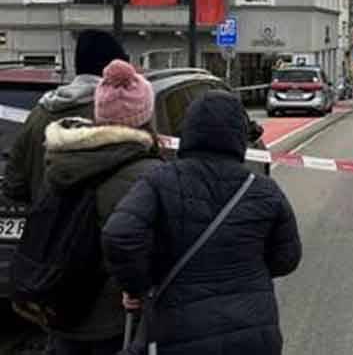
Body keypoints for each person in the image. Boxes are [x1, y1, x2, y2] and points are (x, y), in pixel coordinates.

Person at [103, 91, 302, 355]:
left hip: (178, 331)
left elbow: (120, 235)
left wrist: (139, 286)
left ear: (188, 131)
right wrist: (247, 268)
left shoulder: (159, 180)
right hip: (253, 332)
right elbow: (287, 258)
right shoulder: (264, 189)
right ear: (238, 136)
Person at [40, 60, 164, 355]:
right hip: (115, 316)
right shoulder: (148, 174)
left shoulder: (61, 160)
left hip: (61, 300)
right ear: (145, 116)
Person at [3, 29, 129, 205]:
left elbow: (14, 183)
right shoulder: (117, 114)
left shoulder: (39, 113)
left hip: (45, 225)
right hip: (95, 228)